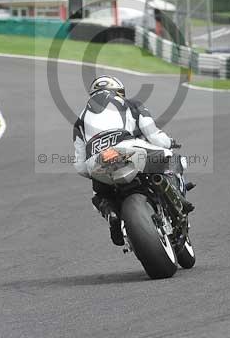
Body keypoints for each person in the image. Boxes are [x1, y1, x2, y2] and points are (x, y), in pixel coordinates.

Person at [73, 75, 192, 245]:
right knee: (172, 158)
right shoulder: (131, 104)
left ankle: (112, 215)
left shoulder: (79, 121)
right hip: (126, 148)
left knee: (99, 194)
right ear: (119, 91)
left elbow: (80, 166)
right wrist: (170, 142)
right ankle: (179, 202)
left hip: (97, 160)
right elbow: (154, 136)